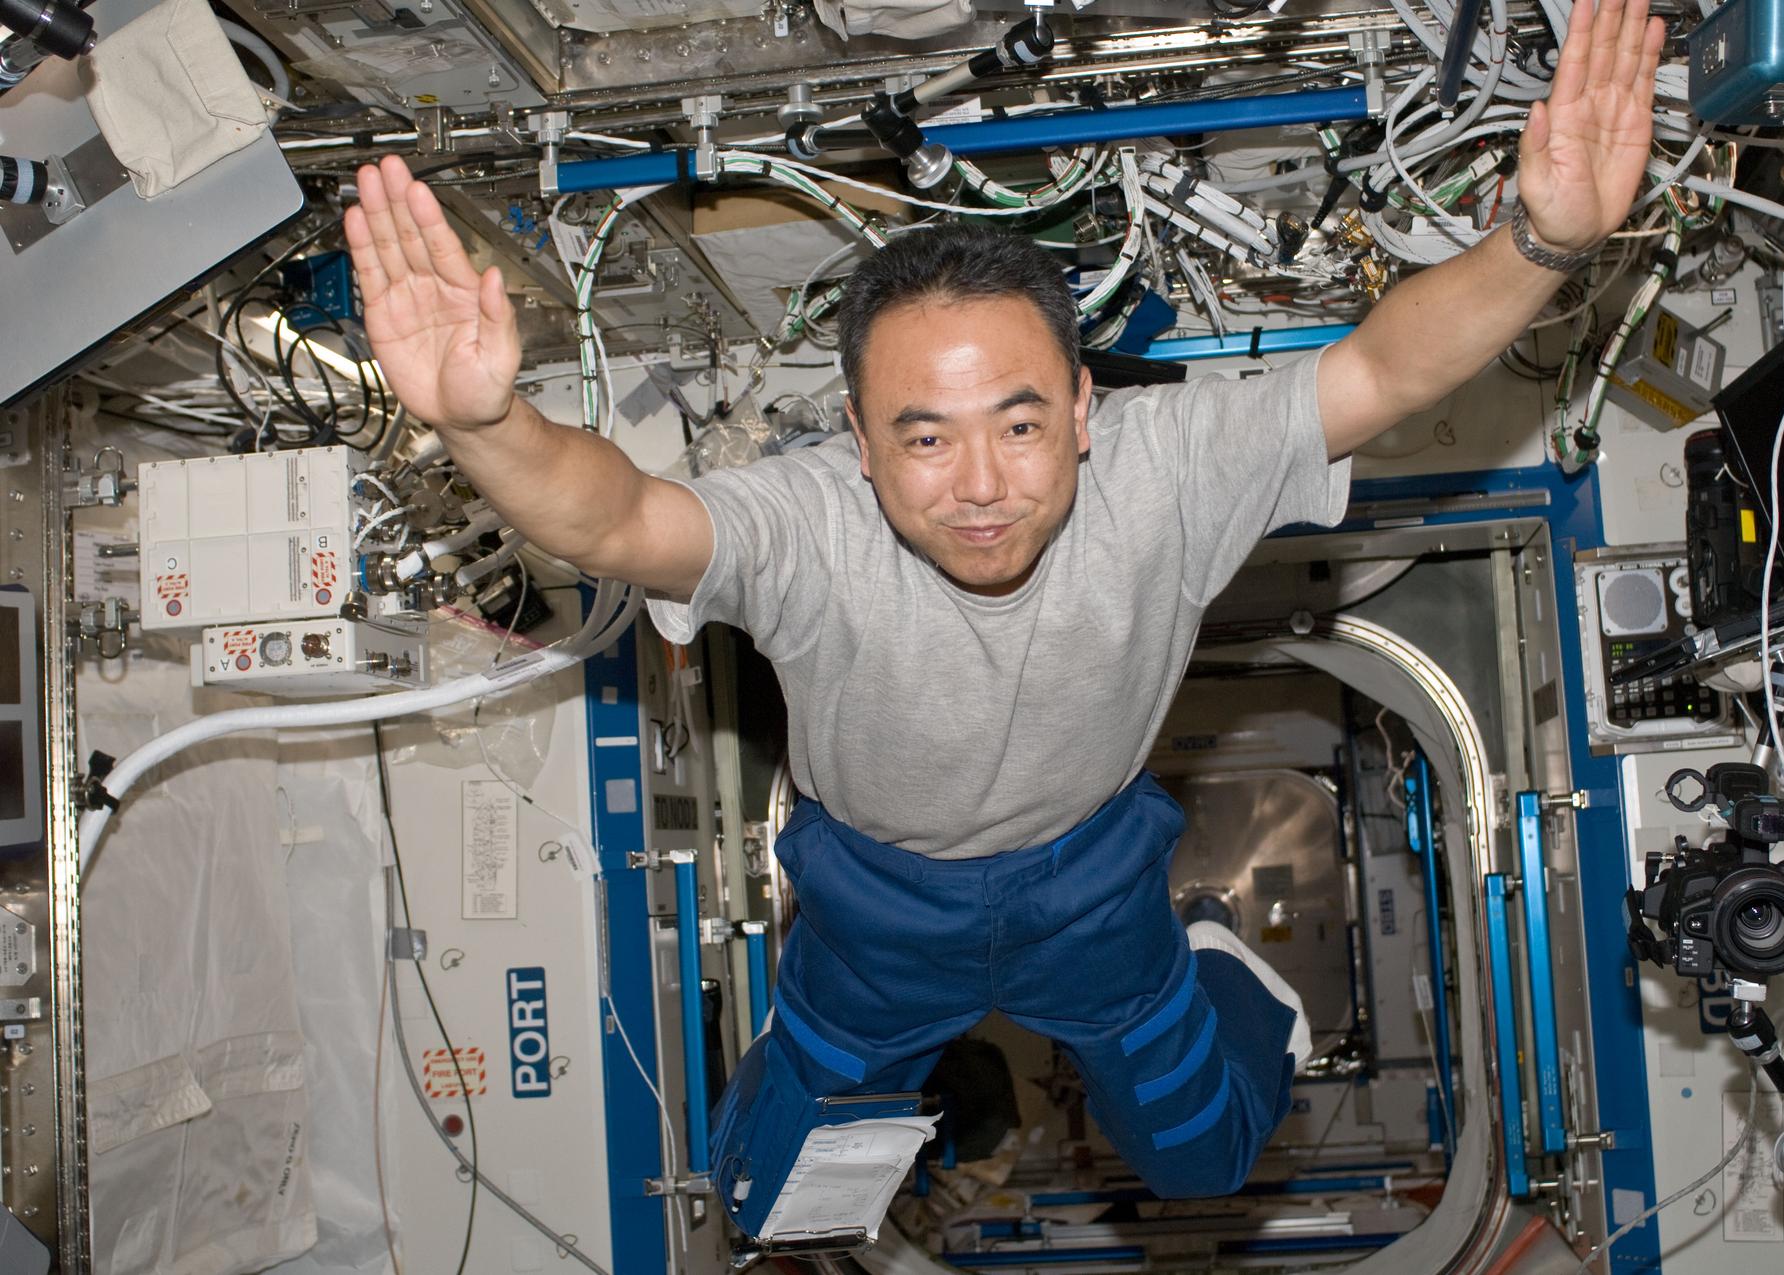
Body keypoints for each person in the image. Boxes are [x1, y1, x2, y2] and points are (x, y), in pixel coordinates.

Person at [344, 0, 1664, 1231]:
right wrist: (484, 423)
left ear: (1084, 409)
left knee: (1203, 1161)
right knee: (761, 1196)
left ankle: (1216, 960)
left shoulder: (1166, 468)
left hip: (1089, 890)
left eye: (1020, 424)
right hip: (880, 913)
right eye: (925, 438)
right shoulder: (809, 521)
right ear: (859, 439)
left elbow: (1378, 368)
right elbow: (623, 519)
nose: (980, 485)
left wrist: (1544, 241)